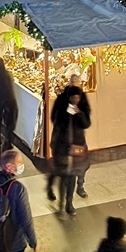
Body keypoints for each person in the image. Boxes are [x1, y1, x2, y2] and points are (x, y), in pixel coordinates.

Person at [48, 84, 91, 214]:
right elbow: (55, 122)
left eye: (77, 98)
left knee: (72, 174)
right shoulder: (61, 106)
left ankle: (69, 203)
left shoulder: (82, 107)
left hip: (77, 147)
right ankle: (56, 195)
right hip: (62, 147)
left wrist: (79, 113)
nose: (75, 100)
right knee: (61, 173)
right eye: (73, 98)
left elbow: (86, 123)